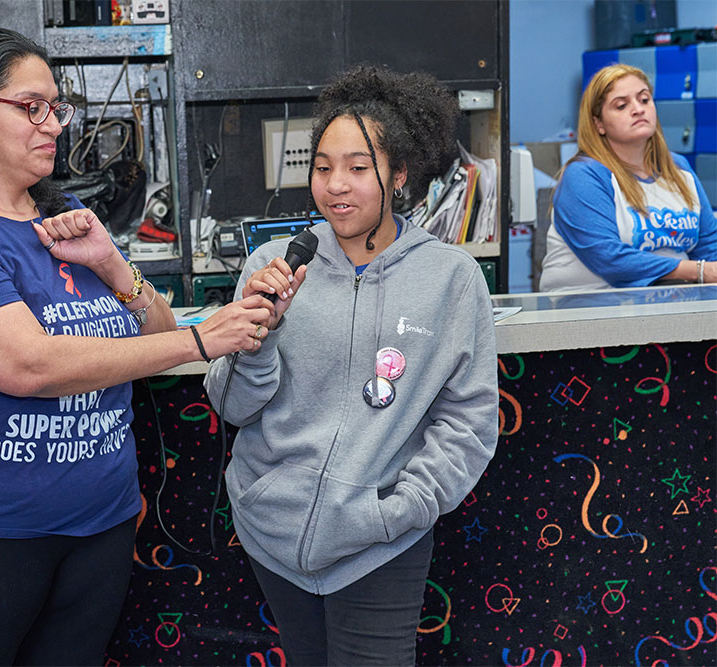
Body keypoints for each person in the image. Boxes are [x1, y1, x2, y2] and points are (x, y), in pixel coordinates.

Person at [0, 28, 272, 665]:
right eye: (30, 107)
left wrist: (114, 267)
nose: (52, 124)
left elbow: (155, 336)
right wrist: (203, 339)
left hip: (98, 528)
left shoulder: (64, 222)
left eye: (56, 108)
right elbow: (29, 365)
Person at [203, 65, 499, 666]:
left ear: (399, 176)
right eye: (322, 166)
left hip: (381, 542)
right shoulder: (275, 262)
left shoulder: (451, 278)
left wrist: (404, 506)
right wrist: (259, 334)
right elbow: (231, 405)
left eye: (359, 168)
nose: (336, 184)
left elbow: (469, 420)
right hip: (273, 534)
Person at [540, 63, 717, 291]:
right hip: (590, 311)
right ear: (599, 124)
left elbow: (709, 243)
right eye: (622, 106)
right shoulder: (583, 175)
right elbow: (610, 259)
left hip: (669, 304)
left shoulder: (678, 168)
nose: (638, 109)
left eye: (644, 100)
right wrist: (699, 271)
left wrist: (707, 269)